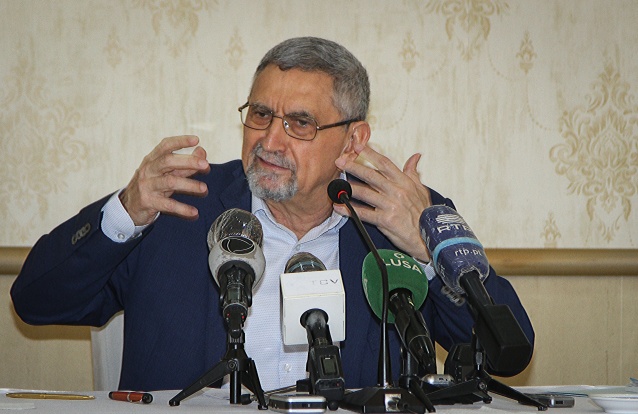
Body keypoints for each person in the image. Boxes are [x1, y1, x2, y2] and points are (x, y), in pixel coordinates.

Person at [11, 37, 534, 392]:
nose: (270, 140)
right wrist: (125, 212)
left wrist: (426, 250)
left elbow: (508, 352)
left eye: (300, 123)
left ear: (353, 140)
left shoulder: (398, 213)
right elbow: (34, 300)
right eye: (261, 114)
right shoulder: (178, 206)